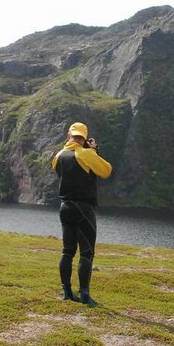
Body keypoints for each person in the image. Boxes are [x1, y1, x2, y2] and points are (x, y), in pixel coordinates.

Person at [51, 122, 112, 306]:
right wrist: (93, 151)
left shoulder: (59, 155)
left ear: (69, 135)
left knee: (67, 250)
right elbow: (106, 170)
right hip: (83, 208)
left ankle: (66, 291)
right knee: (86, 253)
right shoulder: (86, 154)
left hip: (65, 207)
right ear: (85, 138)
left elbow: (59, 170)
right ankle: (85, 295)